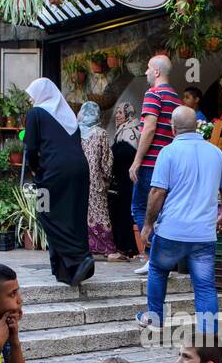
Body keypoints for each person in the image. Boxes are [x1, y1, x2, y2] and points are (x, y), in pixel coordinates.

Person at [139, 104, 222, 335]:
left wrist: (148, 224)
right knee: (205, 286)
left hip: (172, 230)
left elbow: (157, 192)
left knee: (158, 270)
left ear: (173, 128)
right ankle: (208, 333)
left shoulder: (168, 152)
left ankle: (155, 319)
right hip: (203, 234)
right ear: (197, 126)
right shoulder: (215, 152)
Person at [24, 77, 94, 287]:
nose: (30, 101)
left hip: (53, 171)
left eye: (31, 96)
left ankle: (79, 256)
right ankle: (68, 271)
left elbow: (31, 148)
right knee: (73, 215)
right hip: (80, 170)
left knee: (45, 213)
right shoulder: (69, 116)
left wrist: (35, 170)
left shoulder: (36, 113)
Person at [129, 55, 181, 275]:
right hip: (170, 162)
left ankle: (153, 257)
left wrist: (137, 161)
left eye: (149, 69)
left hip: (151, 162)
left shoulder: (153, 94)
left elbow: (148, 128)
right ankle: (164, 258)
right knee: (164, 212)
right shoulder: (176, 98)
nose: (147, 73)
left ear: (157, 72)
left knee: (141, 208)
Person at [78, 101, 115, 258]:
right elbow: (107, 161)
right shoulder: (101, 133)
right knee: (100, 213)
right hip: (96, 181)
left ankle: (84, 247)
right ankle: (105, 247)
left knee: (81, 212)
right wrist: (107, 177)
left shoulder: (76, 132)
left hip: (78, 180)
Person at [107, 102, 139, 260]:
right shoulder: (121, 132)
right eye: (117, 112)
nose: (117, 115)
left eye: (121, 112)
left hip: (128, 181)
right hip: (120, 180)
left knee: (125, 213)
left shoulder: (132, 131)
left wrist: (110, 155)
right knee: (119, 213)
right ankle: (122, 248)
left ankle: (127, 249)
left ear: (129, 115)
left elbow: (126, 154)